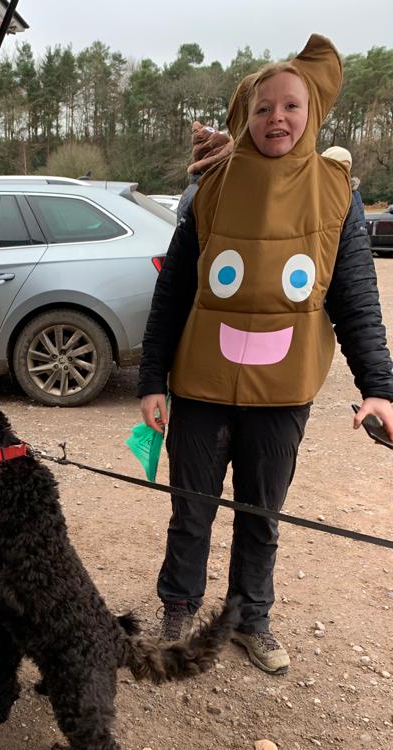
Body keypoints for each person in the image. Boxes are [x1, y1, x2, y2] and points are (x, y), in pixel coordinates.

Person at [137, 35, 393, 674]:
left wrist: (379, 386)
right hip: (198, 383)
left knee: (261, 514)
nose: (276, 118)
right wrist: (150, 380)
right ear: (242, 117)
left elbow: (356, 298)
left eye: (290, 106)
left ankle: (251, 617)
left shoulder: (338, 194)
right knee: (190, 508)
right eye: (262, 107)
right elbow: (172, 293)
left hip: (282, 392)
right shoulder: (210, 188)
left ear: (312, 115)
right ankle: (179, 607)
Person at [322, 145, 365, 224]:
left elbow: (359, 225)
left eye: (346, 167)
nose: (343, 171)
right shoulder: (315, 192)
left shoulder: (354, 195)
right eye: (338, 167)